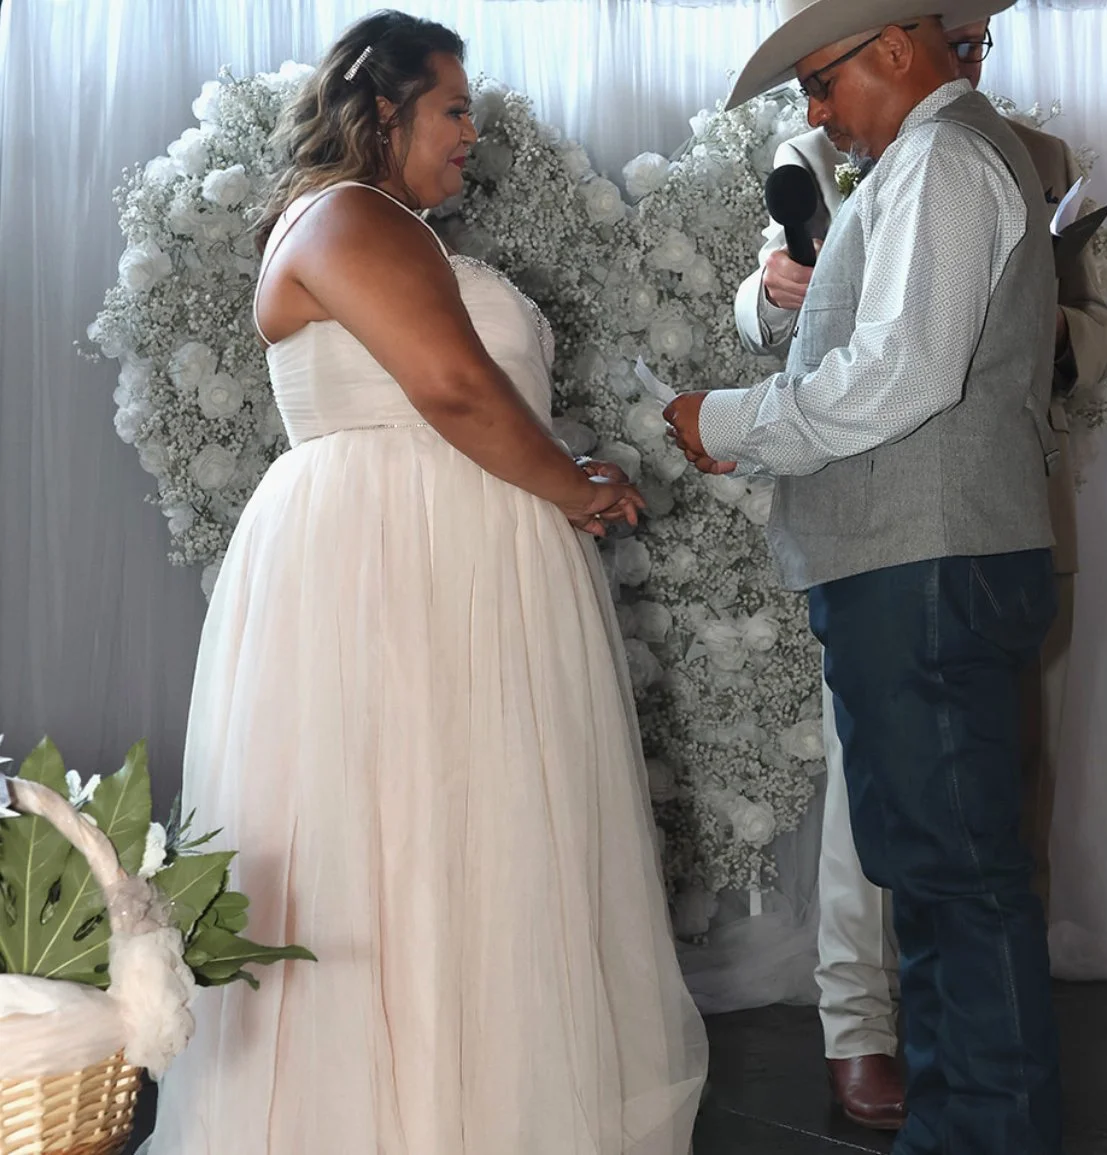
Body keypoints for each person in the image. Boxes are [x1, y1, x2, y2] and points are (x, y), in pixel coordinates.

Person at [145, 12, 707, 1153]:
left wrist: (558, 465)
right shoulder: (349, 215)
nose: (472, 134)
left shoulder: (386, 227)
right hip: (393, 567)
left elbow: (465, 399)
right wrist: (574, 489)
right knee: (397, 836)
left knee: (463, 838)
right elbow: (450, 386)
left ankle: (471, 1107)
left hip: (444, 552)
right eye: (455, 109)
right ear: (384, 107)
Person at [665, 1, 1064, 1151]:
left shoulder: (941, 156)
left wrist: (725, 421)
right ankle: (963, 1126)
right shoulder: (928, 158)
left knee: (958, 887)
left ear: (893, 45)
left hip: (927, 566)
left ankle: (990, 1134)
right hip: (920, 562)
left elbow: (898, 375)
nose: (816, 112)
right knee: (943, 882)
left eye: (820, 81)